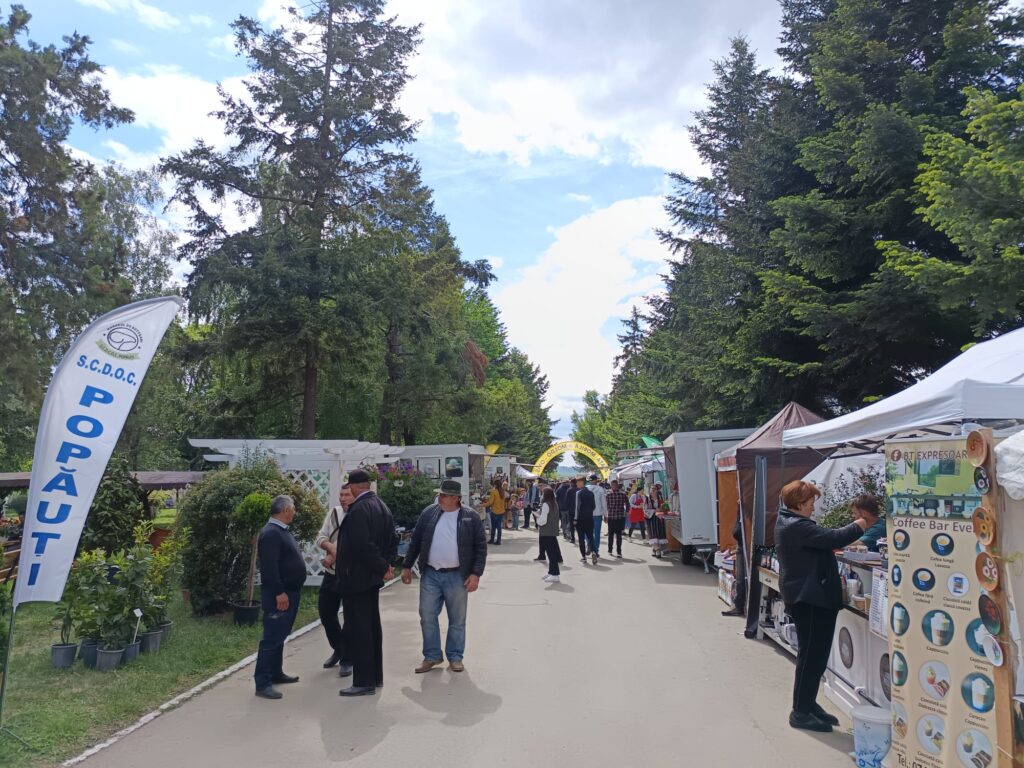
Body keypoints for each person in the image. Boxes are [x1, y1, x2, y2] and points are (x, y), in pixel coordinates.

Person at [775, 480, 870, 732]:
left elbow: (826, 539)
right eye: (810, 503)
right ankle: (800, 712)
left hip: (809, 597)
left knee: (814, 657)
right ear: (798, 503)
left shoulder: (791, 522)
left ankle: (807, 703)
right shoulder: (796, 525)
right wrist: (861, 523)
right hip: (810, 599)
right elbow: (833, 538)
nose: (812, 507)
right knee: (811, 657)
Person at [401, 479, 487, 674]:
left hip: (457, 576)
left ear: (456, 498)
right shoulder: (429, 513)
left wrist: (475, 574)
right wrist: (407, 566)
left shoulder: (470, 517)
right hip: (431, 574)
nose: (439, 498)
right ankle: (432, 655)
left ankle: (455, 657)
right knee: (427, 615)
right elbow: (416, 541)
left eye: (444, 495)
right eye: (439, 494)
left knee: (457, 619)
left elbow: (480, 548)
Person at [334, 470, 398, 697]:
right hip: (371, 579)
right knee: (371, 627)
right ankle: (375, 676)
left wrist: (382, 566)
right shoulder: (381, 506)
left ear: (353, 486)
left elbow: (362, 545)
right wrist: (388, 564)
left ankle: (363, 681)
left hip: (357, 578)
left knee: (360, 629)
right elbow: (393, 539)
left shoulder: (359, 509)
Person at [254, 495, 306, 700]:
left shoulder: (281, 531)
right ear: (285, 510)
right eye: (293, 509)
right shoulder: (271, 534)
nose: (294, 512)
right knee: (271, 638)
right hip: (280, 595)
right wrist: (279, 592)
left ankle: (276, 672)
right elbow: (269, 567)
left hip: (291, 592)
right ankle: (263, 682)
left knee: (280, 636)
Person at [315, 485, 354, 678]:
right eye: (341, 494)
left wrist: (333, 554)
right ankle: (339, 648)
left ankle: (348, 658)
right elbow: (320, 537)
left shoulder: (360, 514)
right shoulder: (334, 513)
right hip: (331, 574)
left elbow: (354, 542)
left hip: (351, 575)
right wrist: (331, 548)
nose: (343, 498)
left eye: (347, 495)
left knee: (350, 618)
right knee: (326, 612)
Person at [536, 487, 563, 582]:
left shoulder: (546, 504)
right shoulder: (554, 503)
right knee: (552, 553)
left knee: (551, 554)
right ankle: (551, 572)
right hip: (552, 531)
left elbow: (543, 521)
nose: (541, 496)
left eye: (543, 494)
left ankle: (555, 574)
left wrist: (537, 518)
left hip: (546, 532)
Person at [573, 476, 597, 564]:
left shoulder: (578, 493)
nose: (576, 484)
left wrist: (575, 519)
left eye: (577, 482)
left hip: (580, 519)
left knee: (581, 539)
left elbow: (577, 507)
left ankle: (583, 557)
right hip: (590, 518)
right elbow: (594, 506)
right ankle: (594, 552)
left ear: (581, 482)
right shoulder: (591, 493)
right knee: (590, 537)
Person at [604, 480, 629, 557]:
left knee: (611, 535)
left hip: (611, 517)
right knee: (619, 535)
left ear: (611, 486)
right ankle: (619, 552)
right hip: (620, 517)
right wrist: (626, 512)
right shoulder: (623, 494)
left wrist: (605, 515)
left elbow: (605, 506)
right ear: (617, 486)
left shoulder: (608, 495)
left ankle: (610, 550)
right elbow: (628, 504)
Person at [587, 475, 607, 555]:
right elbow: (604, 503)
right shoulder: (600, 489)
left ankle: (588, 544)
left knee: (588, 532)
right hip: (598, 514)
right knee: (597, 533)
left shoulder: (585, 489)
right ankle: (595, 550)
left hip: (587, 514)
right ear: (596, 480)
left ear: (589, 481)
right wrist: (605, 514)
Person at [647, 484, 668, 558]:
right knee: (653, 534)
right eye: (652, 489)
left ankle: (654, 549)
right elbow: (645, 509)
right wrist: (655, 510)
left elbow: (664, 506)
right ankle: (658, 550)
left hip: (659, 518)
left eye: (654, 489)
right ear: (650, 490)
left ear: (657, 490)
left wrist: (663, 508)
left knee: (659, 533)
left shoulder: (660, 497)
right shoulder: (647, 498)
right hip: (651, 518)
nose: (653, 490)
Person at [485, 479, 506, 545]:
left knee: (493, 527)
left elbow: (490, 502)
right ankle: (498, 540)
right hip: (501, 511)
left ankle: (492, 539)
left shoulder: (493, 492)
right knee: (499, 527)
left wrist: (482, 505)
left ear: (495, 485)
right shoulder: (502, 492)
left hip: (494, 511)